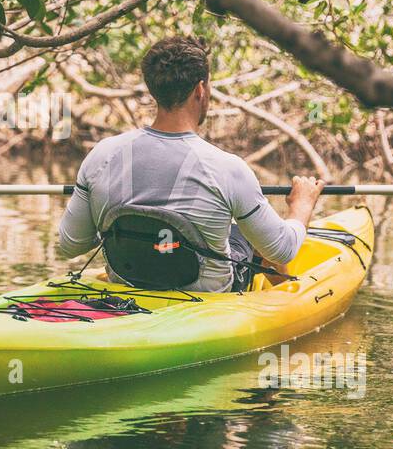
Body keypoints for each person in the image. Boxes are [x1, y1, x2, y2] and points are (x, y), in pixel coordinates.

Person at [57, 36, 326, 292]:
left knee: (236, 231)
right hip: (210, 297)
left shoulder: (101, 155)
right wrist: (301, 205)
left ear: (153, 89)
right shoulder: (228, 168)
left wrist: (112, 226)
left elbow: (70, 245)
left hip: (127, 284)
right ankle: (287, 293)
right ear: (200, 90)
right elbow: (282, 248)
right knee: (252, 239)